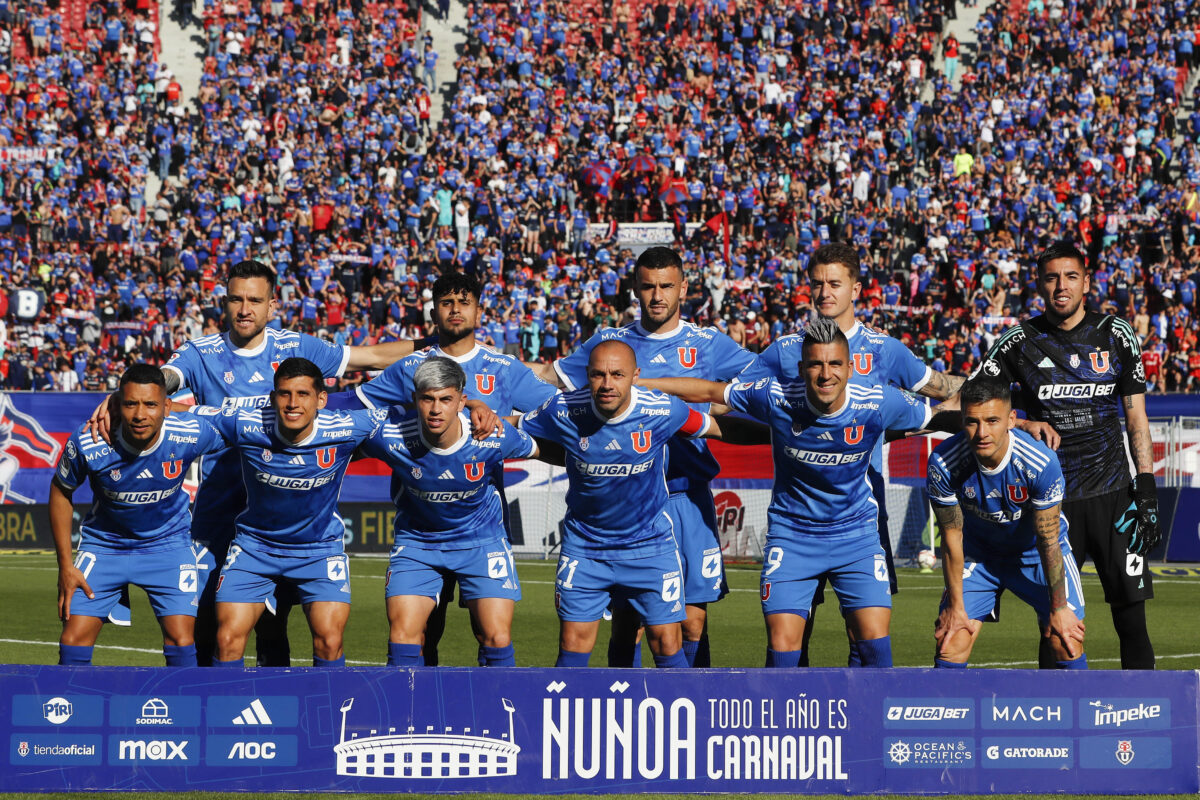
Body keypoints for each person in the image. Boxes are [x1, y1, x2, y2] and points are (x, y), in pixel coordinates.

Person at [89, 259, 419, 667]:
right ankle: (207, 717)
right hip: (217, 513)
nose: (245, 309)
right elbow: (167, 377)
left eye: (254, 300)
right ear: (224, 303)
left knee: (273, 629)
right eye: (236, 299)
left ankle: (271, 721)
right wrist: (132, 392)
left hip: (276, 519)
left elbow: (367, 357)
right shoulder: (201, 352)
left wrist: (438, 345)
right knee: (207, 624)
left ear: (271, 305)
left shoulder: (296, 346)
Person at [642, 317, 955, 667]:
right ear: (802, 367)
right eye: (816, 364)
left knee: (873, 645)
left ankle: (861, 720)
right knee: (783, 647)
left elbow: (940, 416)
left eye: (835, 364)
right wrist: (640, 383)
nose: (826, 374)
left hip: (857, 536)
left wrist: (1014, 422)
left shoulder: (879, 401)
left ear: (850, 368)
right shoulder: (776, 396)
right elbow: (707, 391)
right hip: (793, 538)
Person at [738, 242, 974, 666]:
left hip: (862, 512)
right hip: (797, 517)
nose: (825, 293)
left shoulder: (884, 349)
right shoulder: (786, 350)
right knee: (793, 632)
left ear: (856, 289)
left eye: (835, 283)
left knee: (864, 637)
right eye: (817, 284)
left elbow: (941, 389)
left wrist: (999, 393)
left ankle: (855, 727)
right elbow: (735, 402)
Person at [529, 246, 755, 668]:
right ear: (635, 289)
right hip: (624, 503)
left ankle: (692, 710)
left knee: (691, 622)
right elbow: (547, 376)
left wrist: (711, 406)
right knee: (627, 620)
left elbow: (755, 390)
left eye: (666, 286)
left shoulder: (708, 344)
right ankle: (624, 708)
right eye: (648, 287)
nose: (657, 297)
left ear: (683, 288)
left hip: (686, 495)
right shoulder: (609, 345)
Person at [335, 271, 556, 665]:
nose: (455, 310)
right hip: (419, 526)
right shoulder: (409, 368)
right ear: (433, 311)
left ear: (479, 310)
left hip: (481, 526)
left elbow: (555, 415)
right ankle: (419, 717)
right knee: (422, 634)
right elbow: (351, 409)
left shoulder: (503, 367)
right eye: (447, 303)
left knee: (489, 634)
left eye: (464, 302)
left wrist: (504, 420)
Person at [973, 240, 1159, 670]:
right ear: (1039, 283)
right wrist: (1020, 423)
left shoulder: (1116, 334)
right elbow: (973, 401)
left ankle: (1146, 725)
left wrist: (1146, 487)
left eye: (1071, 276)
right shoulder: (1019, 341)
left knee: (1132, 620)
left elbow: (1136, 417)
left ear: (1086, 282)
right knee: (1055, 625)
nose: (1062, 286)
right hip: (1050, 503)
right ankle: (1055, 728)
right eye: (1052, 277)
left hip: (1115, 497)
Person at [189, 358, 388, 667]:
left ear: (321, 399)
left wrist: (471, 405)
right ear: (272, 398)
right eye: (284, 394)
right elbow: (183, 413)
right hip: (255, 548)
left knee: (330, 639)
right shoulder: (246, 424)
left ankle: (330, 714)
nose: (293, 403)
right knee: (227, 639)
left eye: (303, 394)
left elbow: (421, 418)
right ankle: (224, 710)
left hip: (319, 549)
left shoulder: (348, 427)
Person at [359, 357, 538, 668]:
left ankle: (495, 712)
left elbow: (542, 449)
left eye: (445, 399)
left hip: (482, 541)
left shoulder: (492, 435)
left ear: (461, 401)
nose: (435, 408)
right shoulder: (388, 436)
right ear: (415, 400)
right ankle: (409, 714)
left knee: (496, 636)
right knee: (404, 635)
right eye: (427, 399)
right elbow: (332, 441)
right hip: (418, 544)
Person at [51, 364, 225, 667]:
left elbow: (238, 427)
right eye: (131, 403)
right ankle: (69, 712)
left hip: (168, 546)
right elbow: (60, 491)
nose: (140, 414)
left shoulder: (191, 434)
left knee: (182, 639)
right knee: (73, 639)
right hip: (105, 546)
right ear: (118, 404)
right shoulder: (89, 441)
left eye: (151, 404)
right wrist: (65, 566)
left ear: (167, 406)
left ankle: (183, 711)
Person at [927, 377, 1087, 669]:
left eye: (992, 420)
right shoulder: (943, 462)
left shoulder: (1040, 462)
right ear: (962, 419)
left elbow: (1049, 539)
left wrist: (1060, 608)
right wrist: (956, 607)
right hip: (979, 556)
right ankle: (947, 714)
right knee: (952, 640)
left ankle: (1079, 714)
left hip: (1034, 555)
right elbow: (951, 537)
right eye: (972, 422)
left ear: (1012, 419)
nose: (982, 433)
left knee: (1066, 640)